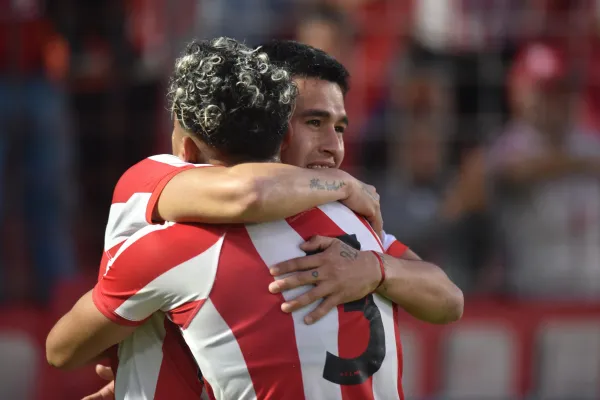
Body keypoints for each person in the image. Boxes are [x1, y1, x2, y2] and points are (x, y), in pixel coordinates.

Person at [52, 40, 463, 399]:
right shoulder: (162, 180)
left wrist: (377, 269)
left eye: (340, 127)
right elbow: (249, 193)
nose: (334, 147)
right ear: (269, 120)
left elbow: (450, 300)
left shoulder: (346, 220)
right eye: (314, 122)